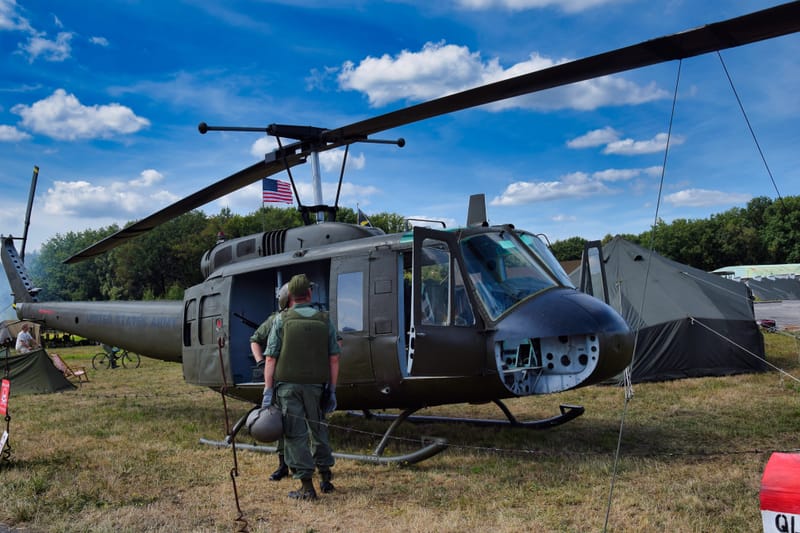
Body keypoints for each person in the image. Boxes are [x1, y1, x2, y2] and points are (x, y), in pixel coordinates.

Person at [264, 274, 340, 500]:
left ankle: (307, 487)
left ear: (290, 296)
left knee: (295, 435)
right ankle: (326, 478)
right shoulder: (325, 320)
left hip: (287, 387)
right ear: (309, 294)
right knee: (319, 429)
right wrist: (332, 390)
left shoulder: (281, 320)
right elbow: (334, 358)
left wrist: (268, 392)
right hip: (316, 387)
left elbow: (270, 358)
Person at [249, 283, 290, 481]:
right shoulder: (275, 319)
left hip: (303, 380)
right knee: (281, 423)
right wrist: (261, 362)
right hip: (281, 380)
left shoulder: (312, 317)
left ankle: (314, 467)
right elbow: (255, 339)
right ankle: (283, 465)